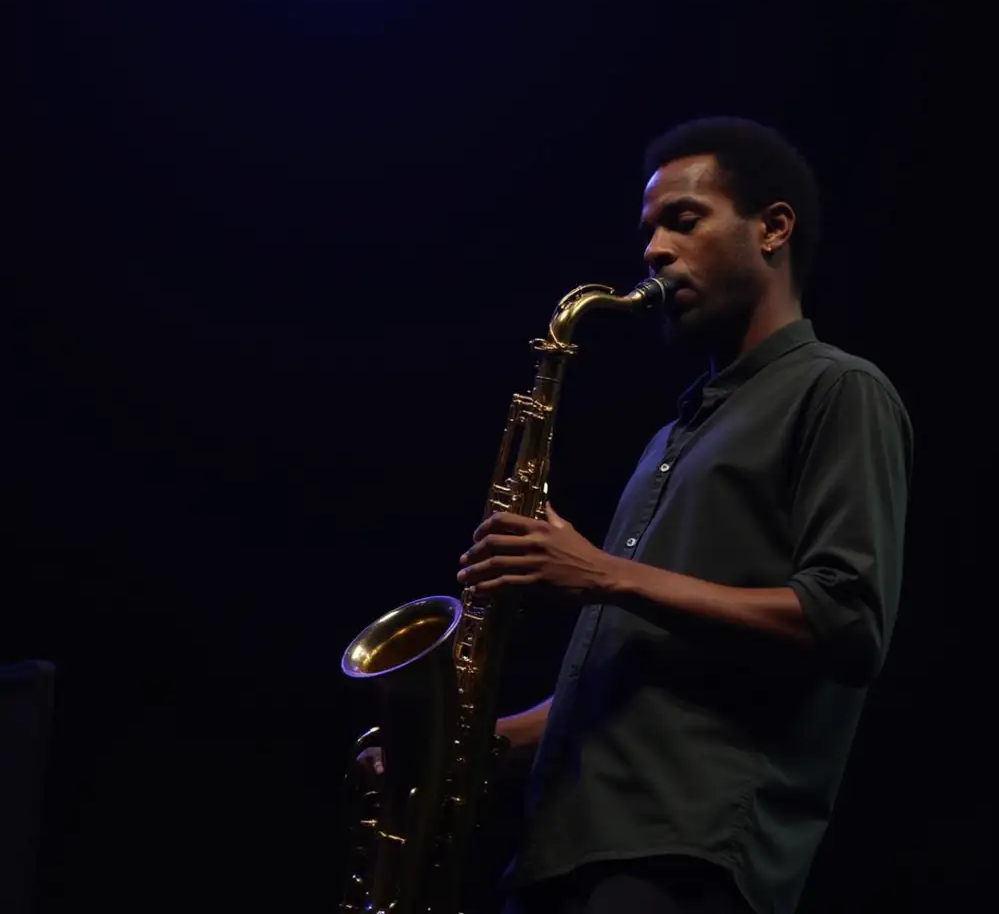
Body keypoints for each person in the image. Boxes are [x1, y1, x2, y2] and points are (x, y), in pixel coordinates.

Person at [364, 116, 913, 914]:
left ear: (774, 229)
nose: (654, 250)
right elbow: (642, 669)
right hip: (562, 851)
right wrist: (473, 744)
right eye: (649, 229)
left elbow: (847, 620)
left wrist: (598, 574)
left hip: (682, 853)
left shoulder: (839, 391)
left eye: (684, 221)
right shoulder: (675, 432)